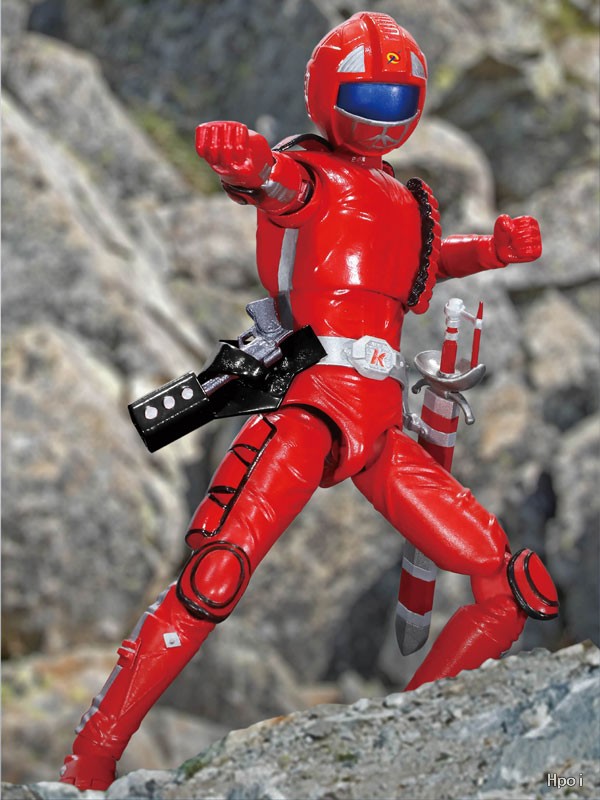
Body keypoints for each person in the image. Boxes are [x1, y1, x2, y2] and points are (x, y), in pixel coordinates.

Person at [60, 11, 557, 790]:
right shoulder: (311, 171)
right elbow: (276, 188)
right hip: (312, 397)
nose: (383, 116)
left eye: (399, 101)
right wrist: (246, 162)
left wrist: (492, 249)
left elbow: (417, 264)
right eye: (368, 98)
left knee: (505, 582)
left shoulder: (407, 201)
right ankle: (88, 761)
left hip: (380, 419)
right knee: (216, 574)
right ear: (327, 95)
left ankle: (410, 742)